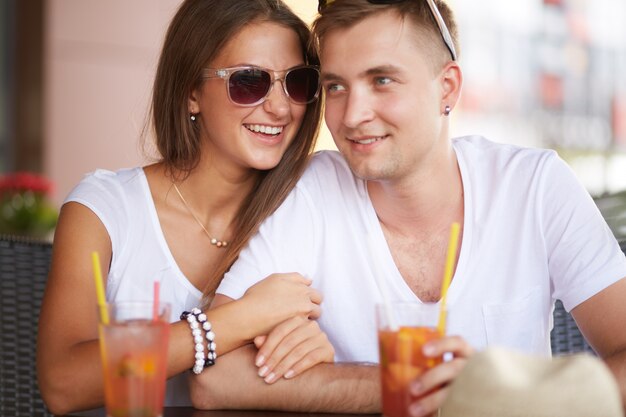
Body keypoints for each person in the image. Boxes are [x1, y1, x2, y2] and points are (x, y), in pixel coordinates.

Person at [191, 0, 626, 415]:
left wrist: (506, 398)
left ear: (447, 88)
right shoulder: (313, 190)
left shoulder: (534, 186)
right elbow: (213, 377)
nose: (352, 114)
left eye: (382, 80)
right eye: (336, 86)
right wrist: (421, 384)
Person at [36, 0, 336, 414]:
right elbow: (63, 383)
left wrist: (311, 356)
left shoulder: (302, 215)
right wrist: (239, 320)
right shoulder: (102, 212)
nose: (281, 107)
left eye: (297, 83)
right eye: (250, 81)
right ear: (191, 92)